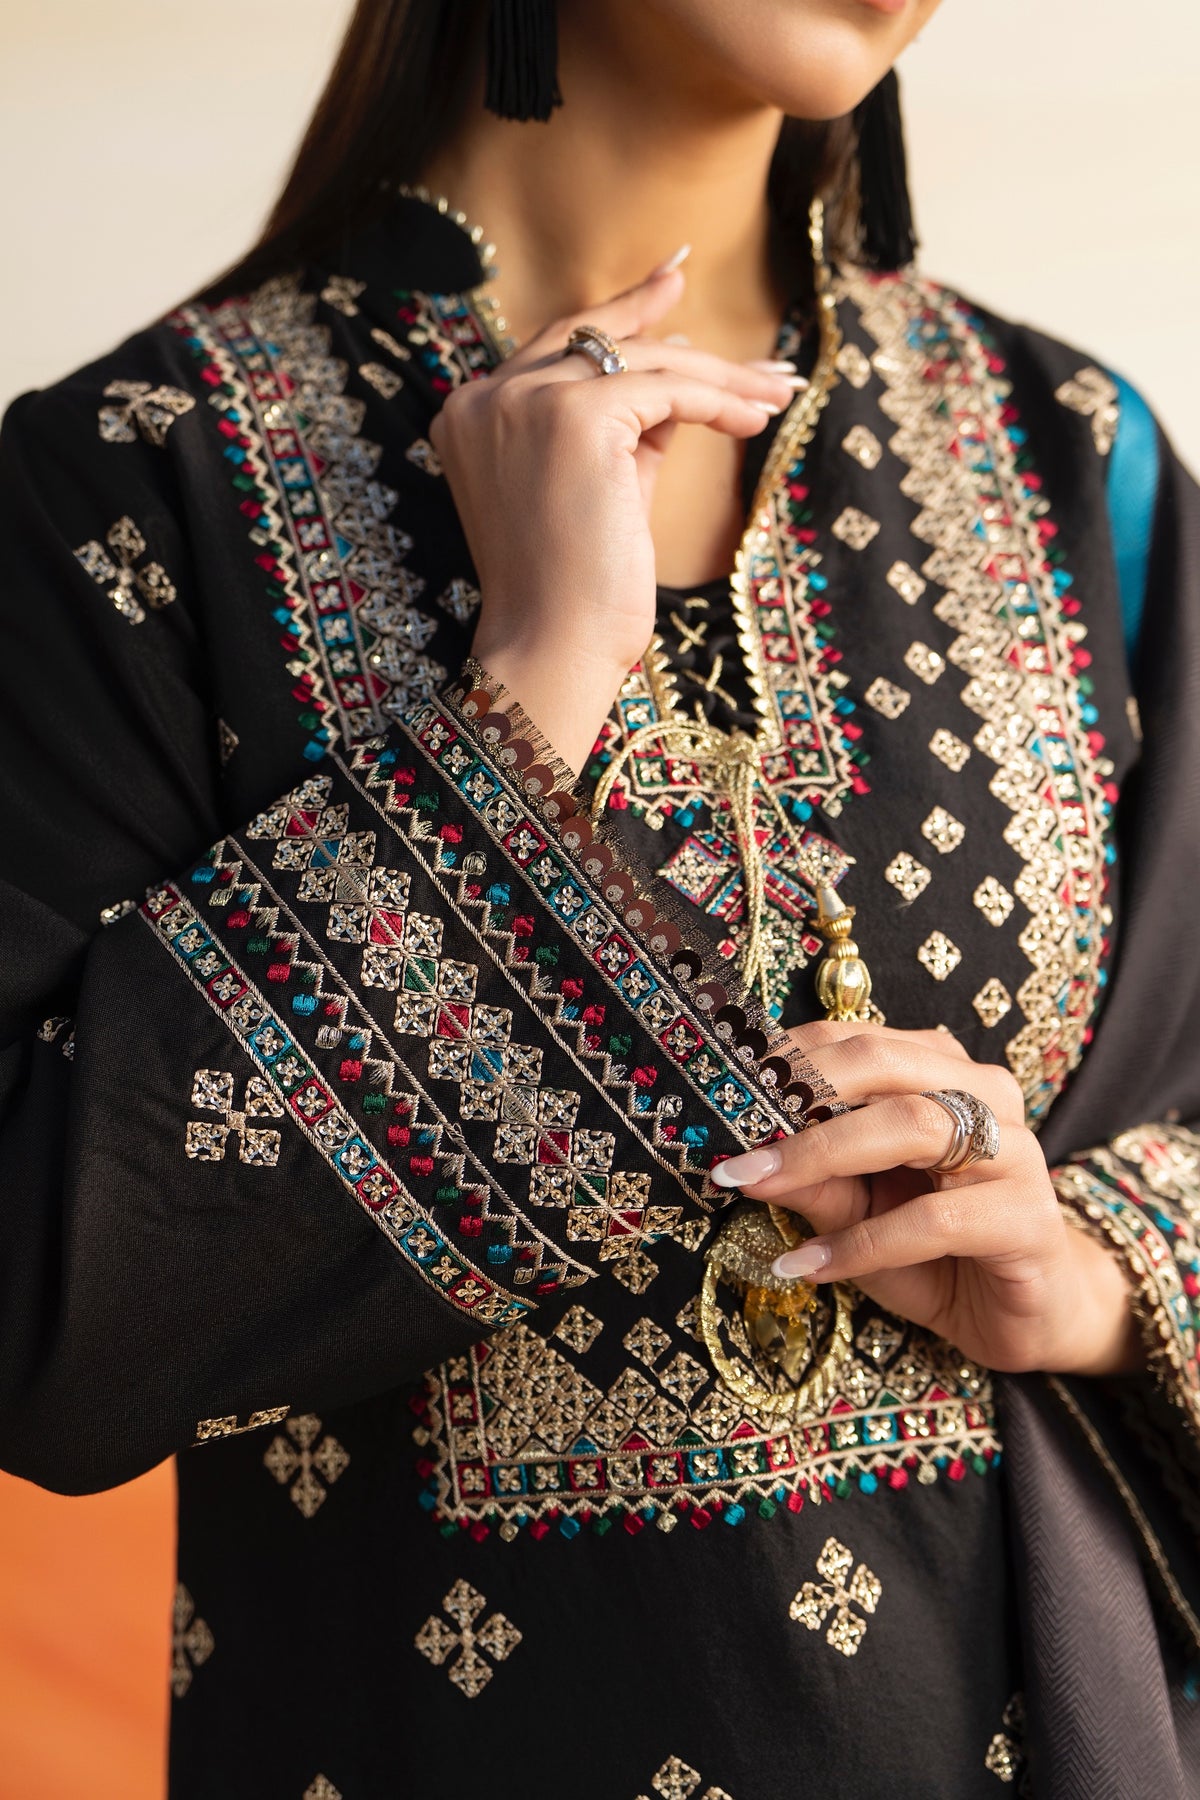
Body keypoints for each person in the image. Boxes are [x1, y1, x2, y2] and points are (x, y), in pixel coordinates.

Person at [2, 1, 1199, 1793]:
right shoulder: (139, 475)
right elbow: (46, 1318)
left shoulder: (1072, 460)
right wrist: (537, 681)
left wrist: (1094, 1278)